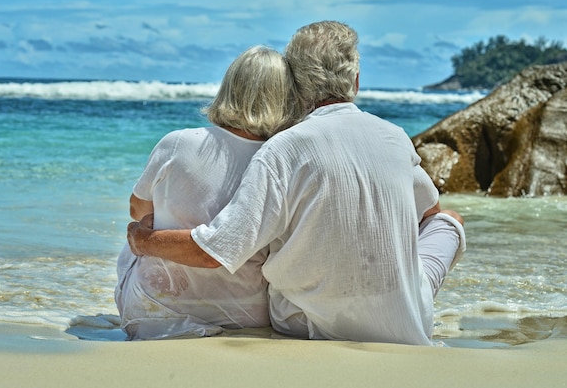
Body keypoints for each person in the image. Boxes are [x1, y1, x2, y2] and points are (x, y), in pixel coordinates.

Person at [127, 21, 466, 345]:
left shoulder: (284, 148)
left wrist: (145, 242)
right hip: (408, 318)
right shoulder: (395, 136)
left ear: (295, 86)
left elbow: (218, 250)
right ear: (357, 82)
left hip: (309, 323)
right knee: (448, 221)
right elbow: (430, 212)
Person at [115, 45, 304, 340]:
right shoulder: (283, 160)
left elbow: (137, 210)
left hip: (161, 307)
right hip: (247, 313)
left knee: (137, 233)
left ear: (229, 88)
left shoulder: (179, 142)